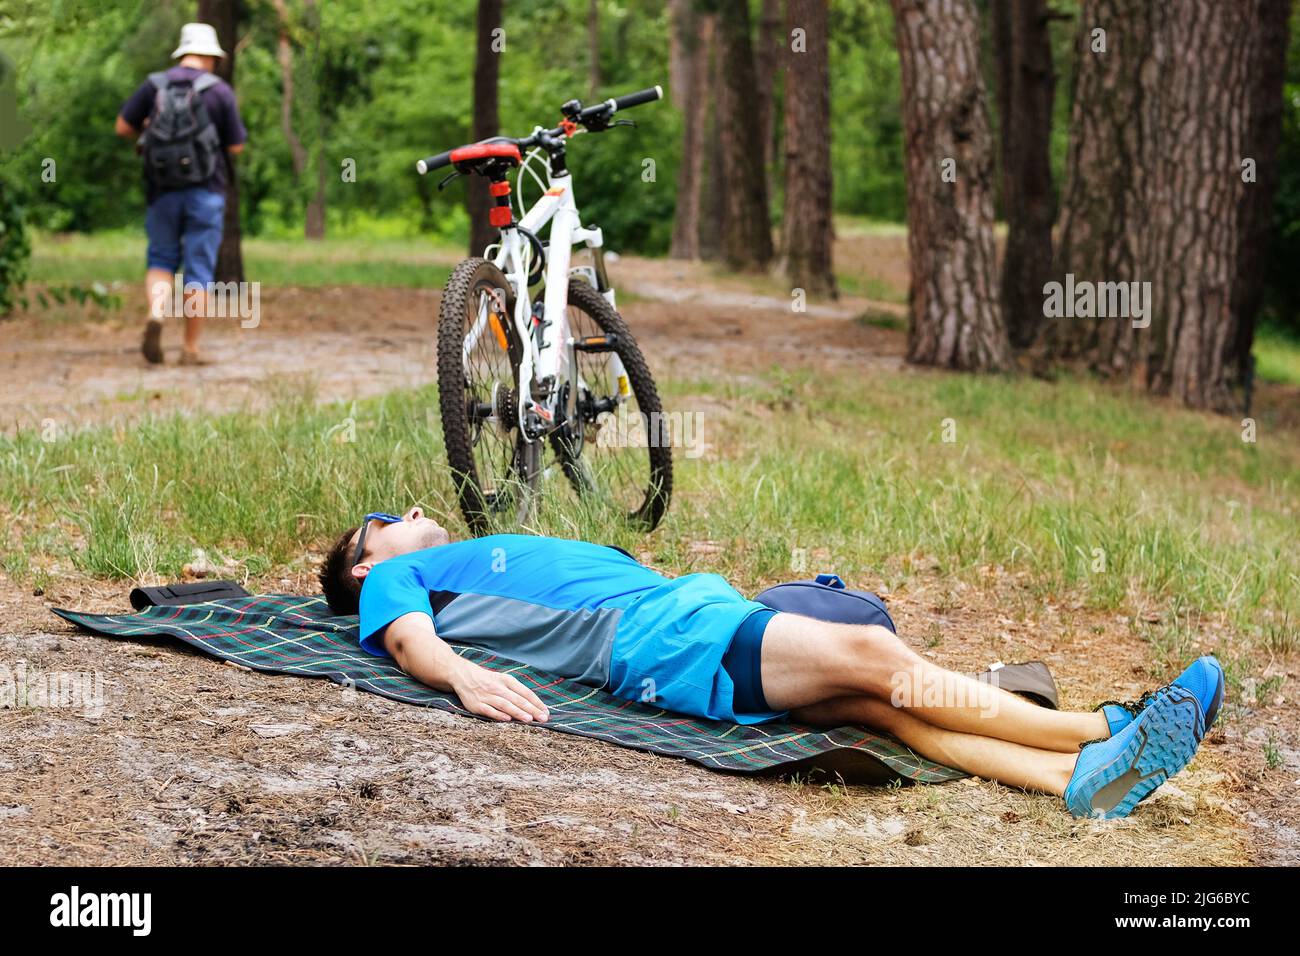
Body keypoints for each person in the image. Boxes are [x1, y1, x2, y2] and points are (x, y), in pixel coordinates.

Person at [319, 507, 1224, 819]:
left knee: (881, 710)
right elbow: (405, 638)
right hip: (664, 637)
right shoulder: (400, 577)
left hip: (678, 626)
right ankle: (1103, 730)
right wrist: (460, 677)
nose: (410, 513)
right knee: (873, 653)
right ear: (366, 559)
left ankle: (1070, 780)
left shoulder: (442, 567)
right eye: (385, 517)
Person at [115, 22, 247, 366]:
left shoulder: (154, 85)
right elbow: (236, 146)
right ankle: (189, 349)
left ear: (183, 52)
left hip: (162, 191)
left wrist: (149, 129)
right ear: (211, 57)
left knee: (161, 259)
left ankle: (157, 314)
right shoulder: (219, 92)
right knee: (199, 271)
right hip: (206, 193)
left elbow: (122, 127)